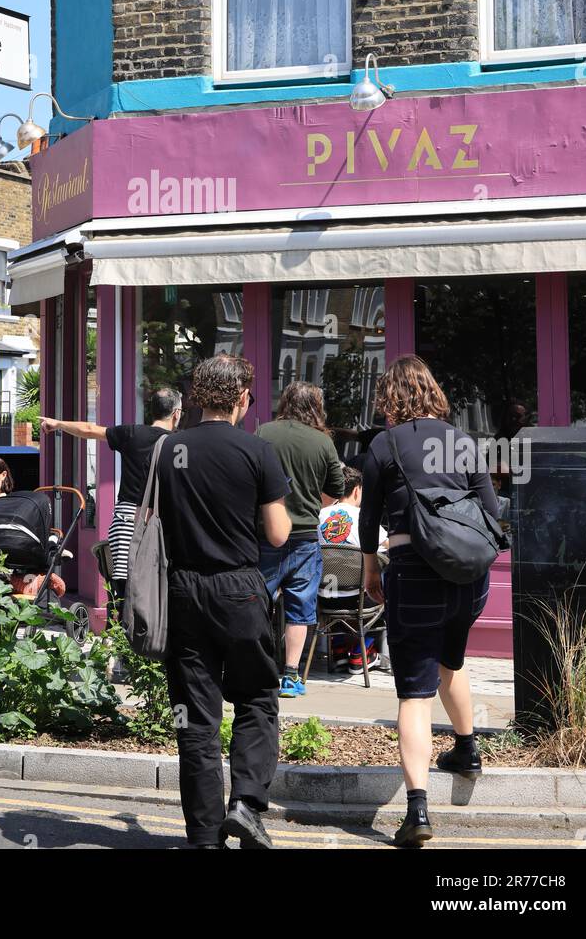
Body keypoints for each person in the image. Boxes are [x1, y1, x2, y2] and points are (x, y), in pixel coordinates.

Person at [360, 355, 500, 849]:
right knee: (451, 658)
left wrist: (371, 565)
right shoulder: (463, 442)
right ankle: (467, 749)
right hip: (467, 576)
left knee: (414, 692)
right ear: (433, 392)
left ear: (390, 397)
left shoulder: (384, 444)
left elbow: (368, 518)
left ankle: (416, 809)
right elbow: (491, 511)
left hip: (414, 573)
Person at [155, 354, 291, 850]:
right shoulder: (257, 451)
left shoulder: (168, 449)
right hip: (239, 589)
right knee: (256, 696)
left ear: (195, 398)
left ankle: (205, 837)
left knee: (193, 716)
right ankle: (247, 805)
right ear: (241, 399)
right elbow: (277, 536)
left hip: (183, 592)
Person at [40, 386, 182, 602]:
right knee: (157, 592)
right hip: (160, 523)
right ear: (176, 413)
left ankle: (123, 633)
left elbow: (88, 429)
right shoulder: (179, 445)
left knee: (124, 593)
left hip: (126, 520)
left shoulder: (131, 433)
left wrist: (57, 423)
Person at [256, 381, 345, 698]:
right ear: (316, 408)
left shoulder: (264, 433)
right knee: (300, 607)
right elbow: (336, 489)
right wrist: (310, 503)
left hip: (265, 532)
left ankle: (254, 666)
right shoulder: (323, 442)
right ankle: (291, 676)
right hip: (305, 537)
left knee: (256, 601)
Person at [317, 465, 388, 673]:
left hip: (323, 598)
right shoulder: (363, 517)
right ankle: (361, 652)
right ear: (357, 490)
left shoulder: (319, 515)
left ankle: (338, 650)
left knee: (338, 587)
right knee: (382, 589)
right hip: (357, 599)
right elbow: (388, 544)